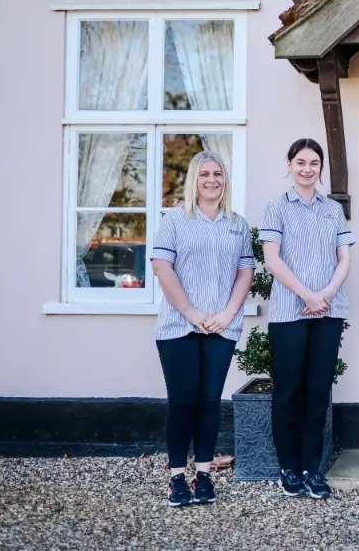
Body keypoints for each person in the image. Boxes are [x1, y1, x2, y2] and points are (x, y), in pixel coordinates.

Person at [151, 151, 256, 507]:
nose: (212, 180)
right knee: (182, 402)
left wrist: (227, 313)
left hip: (221, 327)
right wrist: (191, 312)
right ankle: (177, 478)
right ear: (193, 180)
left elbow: (245, 272)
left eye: (218, 174)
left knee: (210, 402)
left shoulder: (237, 224)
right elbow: (162, 268)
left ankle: (205, 475)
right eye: (204, 174)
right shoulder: (175, 219)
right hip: (179, 326)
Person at [260, 138, 354, 500]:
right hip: (289, 313)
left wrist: (326, 294)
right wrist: (307, 295)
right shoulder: (276, 207)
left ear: (320, 168)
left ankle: (311, 469)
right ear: (289, 164)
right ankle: (288, 468)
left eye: (314, 163)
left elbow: (343, 258)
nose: (307, 169)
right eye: (301, 162)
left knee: (317, 393)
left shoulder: (332, 209)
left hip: (328, 312)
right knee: (288, 394)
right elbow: (272, 259)